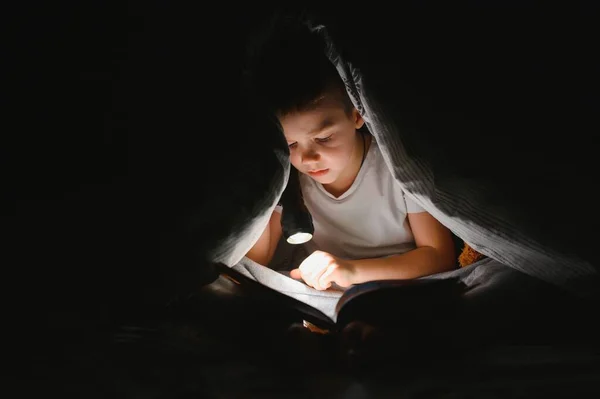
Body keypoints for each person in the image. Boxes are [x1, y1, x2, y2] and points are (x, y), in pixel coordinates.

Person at [245, 22, 456, 291]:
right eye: (291, 144)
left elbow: (440, 255)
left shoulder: (397, 167)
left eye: (324, 138)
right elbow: (256, 259)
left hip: (405, 286)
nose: (308, 158)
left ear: (357, 114)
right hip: (330, 299)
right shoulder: (291, 178)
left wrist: (352, 270)